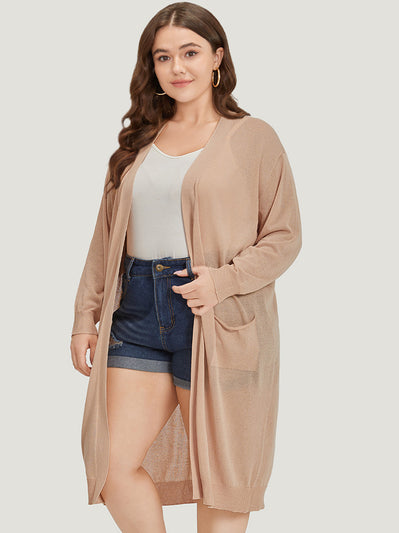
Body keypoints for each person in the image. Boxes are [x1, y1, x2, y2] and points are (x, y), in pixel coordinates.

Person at [70, 2, 302, 532]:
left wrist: (222, 282)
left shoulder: (252, 137)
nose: (177, 67)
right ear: (151, 67)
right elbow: (105, 240)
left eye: (190, 53)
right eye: (163, 57)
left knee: (222, 477)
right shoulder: (137, 145)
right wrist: (86, 315)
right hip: (135, 311)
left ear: (217, 58)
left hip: (217, 318)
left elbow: (284, 235)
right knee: (111, 464)